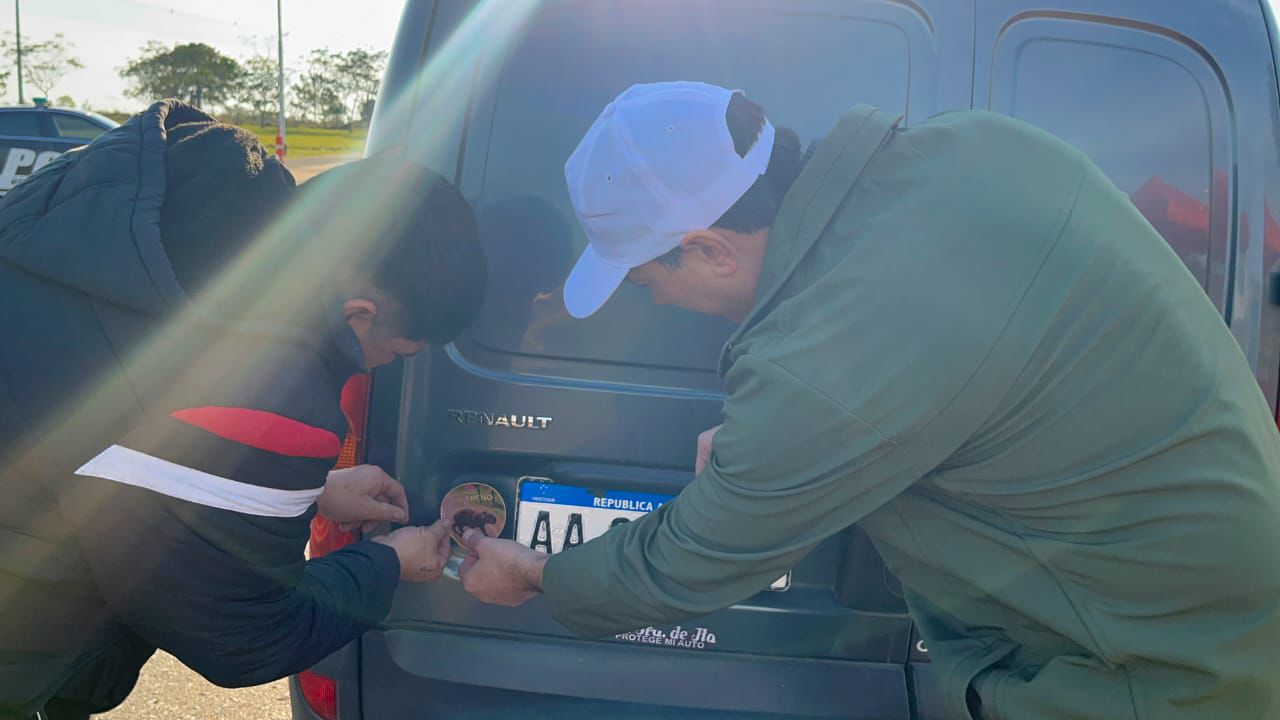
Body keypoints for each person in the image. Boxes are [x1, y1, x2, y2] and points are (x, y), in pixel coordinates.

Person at [457, 82, 1280, 718]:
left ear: (706, 250)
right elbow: (930, 366)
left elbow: (685, 567)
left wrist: (538, 575)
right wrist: (790, 434)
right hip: (1220, 603)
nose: (655, 302)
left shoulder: (819, 362)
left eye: (646, 281)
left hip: (1150, 676)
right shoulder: (969, 144)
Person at [0, 100, 487, 719]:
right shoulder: (267, 379)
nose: (377, 367)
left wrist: (312, 491)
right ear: (359, 313)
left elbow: (122, 442)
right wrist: (388, 563)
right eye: (392, 351)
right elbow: (245, 636)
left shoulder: (143, 225)